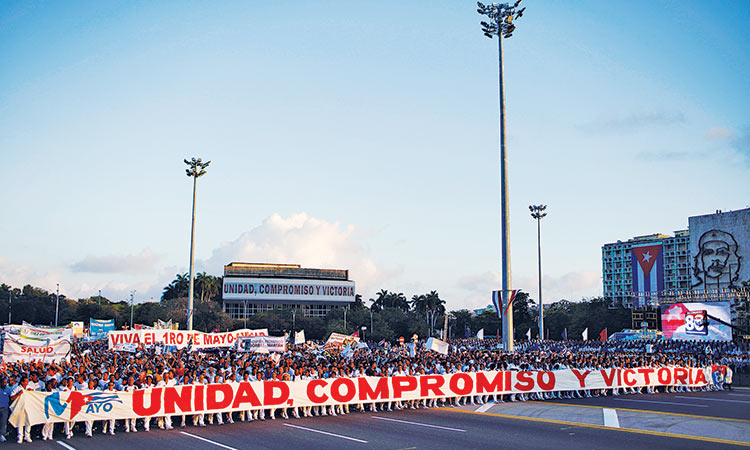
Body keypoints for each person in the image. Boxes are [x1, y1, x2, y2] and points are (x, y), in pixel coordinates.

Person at [0, 377, 11, 442]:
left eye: (6, 382)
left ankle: (2, 435)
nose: (5, 384)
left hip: (5, 408)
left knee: (3, 422)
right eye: (3, 382)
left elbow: (10, 397)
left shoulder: (8, 389)